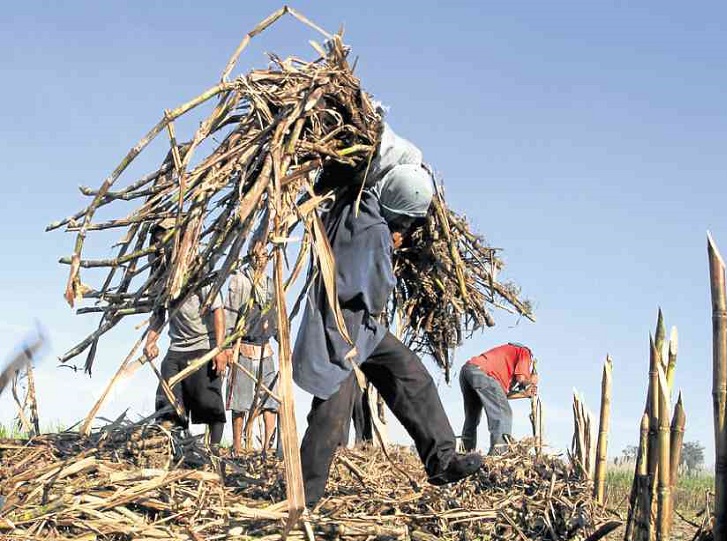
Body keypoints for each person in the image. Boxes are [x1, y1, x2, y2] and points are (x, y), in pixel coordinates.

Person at [293, 121, 483, 508]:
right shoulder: (375, 230)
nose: (409, 231)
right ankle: (303, 500)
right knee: (331, 415)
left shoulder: (353, 199)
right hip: (341, 326)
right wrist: (393, 246)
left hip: (364, 326)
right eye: (408, 224)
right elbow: (377, 292)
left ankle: (442, 460)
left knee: (409, 374)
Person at [143, 219, 228, 450]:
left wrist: (219, 349)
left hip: (202, 347)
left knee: (206, 401)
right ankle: (177, 448)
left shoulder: (196, 270)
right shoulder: (160, 277)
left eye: (165, 240)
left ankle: (214, 451)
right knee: (168, 401)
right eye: (157, 241)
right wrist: (151, 341)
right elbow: (159, 314)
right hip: (176, 350)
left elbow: (217, 310)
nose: (160, 245)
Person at [225, 238, 280, 456]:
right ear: (250, 256)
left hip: (265, 349)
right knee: (240, 401)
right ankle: (238, 447)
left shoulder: (270, 284)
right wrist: (228, 347)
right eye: (258, 256)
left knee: (270, 400)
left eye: (265, 256)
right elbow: (229, 313)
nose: (261, 260)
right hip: (244, 346)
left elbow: (277, 317)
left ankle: (267, 447)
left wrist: (283, 343)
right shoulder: (240, 281)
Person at [459, 343, 538, 454]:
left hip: (468, 370)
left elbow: (501, 397)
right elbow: (521, 378)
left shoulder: (504, 371)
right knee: (504, 413)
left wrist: (524, 394)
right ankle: (498, 454)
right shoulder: (525, 352)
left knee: (472, 418)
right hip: (482, 373)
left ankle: (465, 454)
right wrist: (531, 380)